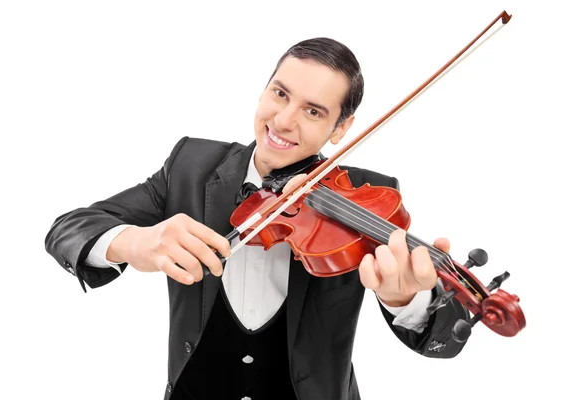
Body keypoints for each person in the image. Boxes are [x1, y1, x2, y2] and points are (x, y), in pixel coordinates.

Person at [45, 37, 470, 400]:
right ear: (264, 90)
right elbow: (67, 229)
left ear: (341, 129)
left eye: (313, 111)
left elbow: (444, 339)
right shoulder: (190, 165)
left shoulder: (367, 197)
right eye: (280, 94)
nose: (283, 121)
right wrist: (134, 243)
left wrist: (407, 301)